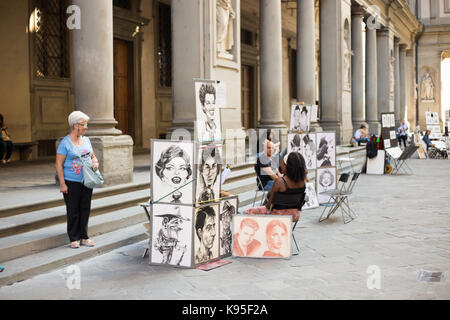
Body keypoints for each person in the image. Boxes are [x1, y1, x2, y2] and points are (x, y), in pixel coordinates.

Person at [56, 111, 99, 249]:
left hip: (86, 180)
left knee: (85, 208)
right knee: (73, 210)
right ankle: (73, 238)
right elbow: (58, 164)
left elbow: (92, 156)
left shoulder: (86, 140)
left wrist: (95, 162)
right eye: (84, 124)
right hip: (71, 181)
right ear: (76, 125)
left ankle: (84, 237)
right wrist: (62, 183)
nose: (86, 127)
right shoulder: (65, 143)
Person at [245, 152, 307, 222]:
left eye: (282, 162)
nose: (281, 164)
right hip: (294, 215)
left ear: (287, 166)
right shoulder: (302, 183)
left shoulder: (280, 182)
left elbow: (268, 206)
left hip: (278, 214)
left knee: (247, 212)